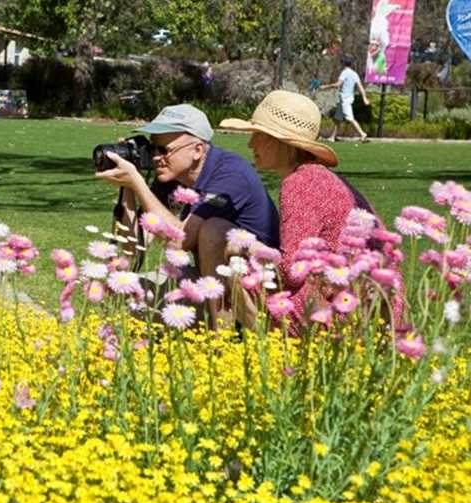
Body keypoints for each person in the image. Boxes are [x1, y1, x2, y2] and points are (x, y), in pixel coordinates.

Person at [219, 90, 402, 332]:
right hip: (375, 309)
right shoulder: (322, 177)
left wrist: (248, 247)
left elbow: (291, 272)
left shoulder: (299, 183)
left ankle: (273, 353)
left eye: (259, 135)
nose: (251, 143)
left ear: (282, 141)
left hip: (345, 313)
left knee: (238, 272)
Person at [95, 103, 280, 325]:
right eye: (152, 149)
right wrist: (128, 189)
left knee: (213, 228)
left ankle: (222, 341)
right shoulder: (172, 175)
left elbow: (180, 241)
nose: (156, 158)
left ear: (197, 150)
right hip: (208, 281)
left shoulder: (231, 174)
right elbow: (134, 247)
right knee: (120, 293)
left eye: (164, 150)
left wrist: (138, 184)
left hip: (256, 292)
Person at [320, 55, 369, 142]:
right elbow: (360, 87)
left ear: (343, 63)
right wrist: (364, 97)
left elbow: (338, 84)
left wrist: (325, 87)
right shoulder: (354, 74)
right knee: (338, 118)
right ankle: (332, 137)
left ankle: (362, 133)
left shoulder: (344, 73)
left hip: (345, 100)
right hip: (347, 98)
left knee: (350, 118)